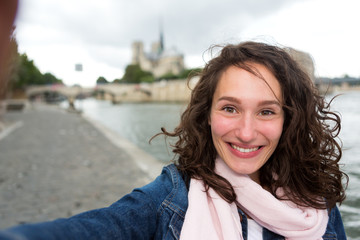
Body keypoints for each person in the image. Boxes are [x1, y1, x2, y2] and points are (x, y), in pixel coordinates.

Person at [0, 41, 348, 240]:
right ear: (206, 113)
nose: (245, 132)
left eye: (267, 112)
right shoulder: (170, 199)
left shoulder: (317, 203)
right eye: (229, 108)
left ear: (289, 120)